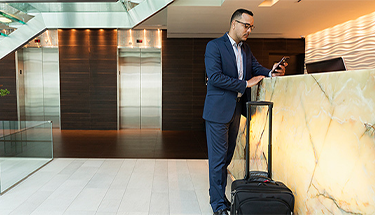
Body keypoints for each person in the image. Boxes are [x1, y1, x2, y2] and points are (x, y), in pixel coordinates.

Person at [203, 8, 286, 215]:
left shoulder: (246, 49)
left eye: (251, 26)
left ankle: (218, 196)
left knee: (227, 158)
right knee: (218, 159)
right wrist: (245, 83)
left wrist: (271, 70)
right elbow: (214, 77)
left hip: (235, 111)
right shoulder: (214, 46)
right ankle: (218, 206)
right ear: (234, 24)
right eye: (246, 25)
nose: (249, 30)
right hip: (217, 112)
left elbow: (257, 68)